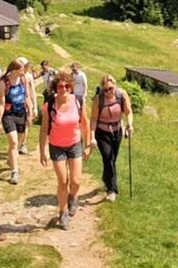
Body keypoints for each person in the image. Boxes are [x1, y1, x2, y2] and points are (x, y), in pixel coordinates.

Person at [39, 72, 91, 230]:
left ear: (71, 87)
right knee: (63, 181)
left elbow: (85, 124)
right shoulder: (50, 106)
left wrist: (88, 145)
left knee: (76, 181)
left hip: (74, 144)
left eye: (67, 86)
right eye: (60, 86)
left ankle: (73, 197)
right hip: (56, 146)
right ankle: (63, 212)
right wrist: (42, 151)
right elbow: (43, 129)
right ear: (55, 88)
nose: (64, 89)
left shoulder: (78, 101)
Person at [88, 74, 134, 202]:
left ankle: (105, 177)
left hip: (117, 130)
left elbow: (128, 112)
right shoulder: (98, 99)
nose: (109, 91)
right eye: (106, 89)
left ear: (115, 86)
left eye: (111, 88)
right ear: (102, 88)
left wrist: (130, 125)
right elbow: (93, 119)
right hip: (102, 133)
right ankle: (112, 190)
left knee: (112, 159)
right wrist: (92, 137)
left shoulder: (121, 95)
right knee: (108, 158)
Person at [0, 59, 30, 184]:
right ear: (14, 70)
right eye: (21, 69)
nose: (24, 72)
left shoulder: (23, 80)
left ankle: (11, 158)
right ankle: (14, 172)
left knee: (18, 141)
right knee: (13, 142)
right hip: (8, 114)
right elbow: (1, 102)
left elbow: (26, 96)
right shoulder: (4, 82)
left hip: (21, 113)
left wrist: (31, 111)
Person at [15, 57, 37, 155]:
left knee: (25, 125)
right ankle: (16, 145)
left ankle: (22, 144)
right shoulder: (14, 75)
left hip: (26, 104)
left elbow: (32, 92)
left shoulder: (28, 76)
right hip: (15, 104)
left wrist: (34, 106)